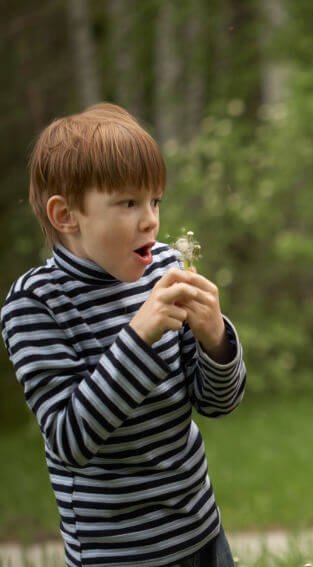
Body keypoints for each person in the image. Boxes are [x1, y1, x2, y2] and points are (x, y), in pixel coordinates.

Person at [1, 103, 247, 567]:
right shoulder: (36, 304)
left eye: (155, 201)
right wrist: (139, 336)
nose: (151, 219)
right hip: (116, 551)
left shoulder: (166, 269)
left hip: (201, 532)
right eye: (128, 203)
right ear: (66, 215)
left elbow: (219, 403)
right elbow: (70, 439)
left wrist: (216, 338)